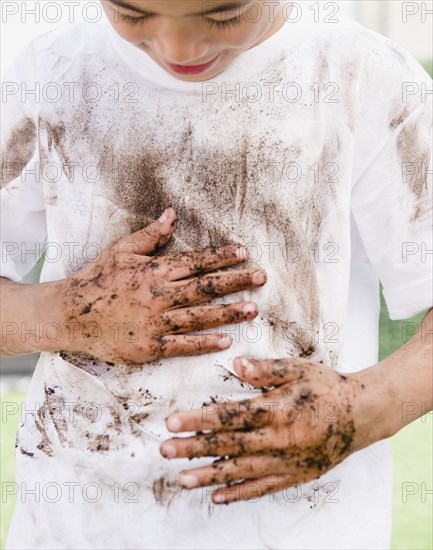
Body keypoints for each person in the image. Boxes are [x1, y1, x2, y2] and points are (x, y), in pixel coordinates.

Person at [1, 1, 431, 548]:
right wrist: (63, 313)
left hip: (303, 529)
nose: (179, 49)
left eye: (224, 16)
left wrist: (368, 406)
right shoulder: (51, 73)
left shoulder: (364, 78)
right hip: (76, 528)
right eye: (132, 14)